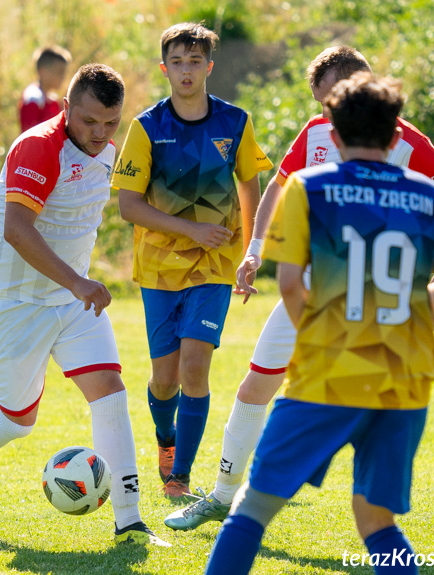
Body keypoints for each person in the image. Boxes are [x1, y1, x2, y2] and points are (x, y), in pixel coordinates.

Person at [165, 45, 434, 530]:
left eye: (331, 100)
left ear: (359, 86)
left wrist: (431, 278)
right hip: (310, 291)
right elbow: (277, 187)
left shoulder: (408, 143)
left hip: (371, 307)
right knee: (254, 389)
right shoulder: (316, 132)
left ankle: (369, 518)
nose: (326, 114)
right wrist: (255, 249)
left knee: (367, 412)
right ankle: (223, 497)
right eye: (321, 103)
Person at [0, 63, 169, 547]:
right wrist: (77, 282)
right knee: (19, 419)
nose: (100, 133)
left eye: (111, 123)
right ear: (66, 108)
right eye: (89, 121)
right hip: (12, 301)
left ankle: (130, 523)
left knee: (110, 391)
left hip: (71, 300)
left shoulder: (112, 150)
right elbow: (16, 229)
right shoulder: (37, 145)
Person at [111, 22, 272, 503]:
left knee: (195, 368)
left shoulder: (235, 122)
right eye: (177, 62)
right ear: (164, 68)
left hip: (215, 267)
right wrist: (191, 229)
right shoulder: (145, 127)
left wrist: (249, 249)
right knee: (164, 379)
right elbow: (128, 206)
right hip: (159, 269)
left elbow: (250, 184)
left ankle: (179, 475)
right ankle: (166, 440)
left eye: (195, 61)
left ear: (209, 67)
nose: (186, 70)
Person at [18, 45, 72, 132]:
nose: (63, 77)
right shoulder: (34, 98)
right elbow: (29, 135)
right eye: (59, 72)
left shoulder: (53, 99)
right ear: (43, 71)